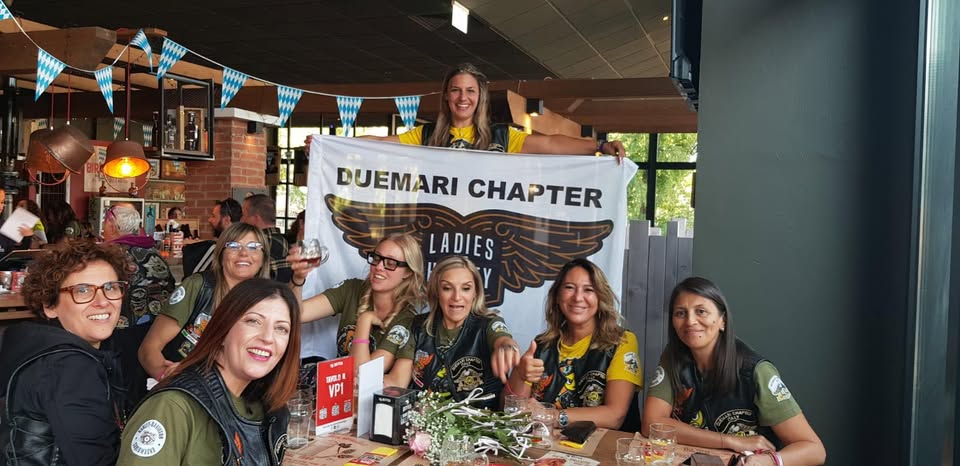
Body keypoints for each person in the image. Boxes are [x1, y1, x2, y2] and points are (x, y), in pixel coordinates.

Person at [642, 277, 826, 465]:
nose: (690, 321)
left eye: (701, 311)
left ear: (723, 321)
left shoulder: (756, 371)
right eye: (681, 313)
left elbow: (815, 450)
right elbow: (652, 424)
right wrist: (729, 441)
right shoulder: (673, 357)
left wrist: (769, 461)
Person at [119, 278, 300, 465]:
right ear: (223, 329)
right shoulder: (173, 406)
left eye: (281, 328)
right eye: (253, 321)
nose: (268, 337)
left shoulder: (267, 406)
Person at [308, 63, 626, 160]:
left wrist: (598, 146)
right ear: (447, 97)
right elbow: (379, 143)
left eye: (470, 91)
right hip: (438, 222)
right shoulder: (427, 135)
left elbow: (552, 144)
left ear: (479, 97)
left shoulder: (501, 136)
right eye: (456, 90)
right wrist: (328, 144)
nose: (463, 97)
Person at [0, 240, 130, 464]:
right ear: (50, 306)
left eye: (110, 287)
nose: (102, 302)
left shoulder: (42, 348)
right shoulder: (70, 367)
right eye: (83, 290)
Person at [506, 258, 642, 431]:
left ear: (600, 297)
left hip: (604, 446)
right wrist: (520, 373)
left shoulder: (621, 341)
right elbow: (513, 410)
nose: (578, 298)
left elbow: (614, 416)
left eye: (588, 290)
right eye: (569, 287)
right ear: (557, 296)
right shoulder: (542, 345)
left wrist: (552, 416)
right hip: (547, 444)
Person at [138, 222, 270, 381]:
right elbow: (149, 348)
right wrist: (168, 378)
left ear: (263, 258)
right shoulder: (198, 286)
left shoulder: (268, 302)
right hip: (184, 383)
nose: (243, 253)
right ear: (221, 254)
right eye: (234, 246)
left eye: (253, 247)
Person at [288, 233, 425, 384]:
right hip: (332, 387)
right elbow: (297, 314)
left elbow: (361, 372)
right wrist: (298, 278)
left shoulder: (406, 319)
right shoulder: (352, 289)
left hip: (360, 394)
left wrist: (364, 320)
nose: (379, 267)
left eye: (391, 263)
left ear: (408, 272)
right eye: (377, 258)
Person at [391, 256, 520, 409]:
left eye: (466, 288)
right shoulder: (418, 327)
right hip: (422, 419)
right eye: (447, 288)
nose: (457, 297)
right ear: (436, 291)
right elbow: (397, 381)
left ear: (475, 292)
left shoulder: (488, 324)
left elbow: (502, 339)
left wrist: (506, 347)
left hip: (477, 421)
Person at [102, 203, 176, 405]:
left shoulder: (111, 255)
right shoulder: (153, 251)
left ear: (112, 225)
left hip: (123, 331)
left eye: (105, 222)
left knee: (123, 385)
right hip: (158, 331)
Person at [183, 197, 242, 278]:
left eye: (213, 216)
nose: (209, 220)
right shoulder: (243, 245)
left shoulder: (217, 250)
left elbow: (194, 280)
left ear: (226, 220)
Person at [242, 194, 292, 283]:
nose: (241, 220)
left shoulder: (256, 245)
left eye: (244, 215)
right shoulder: (285, 243)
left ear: (256, 219)